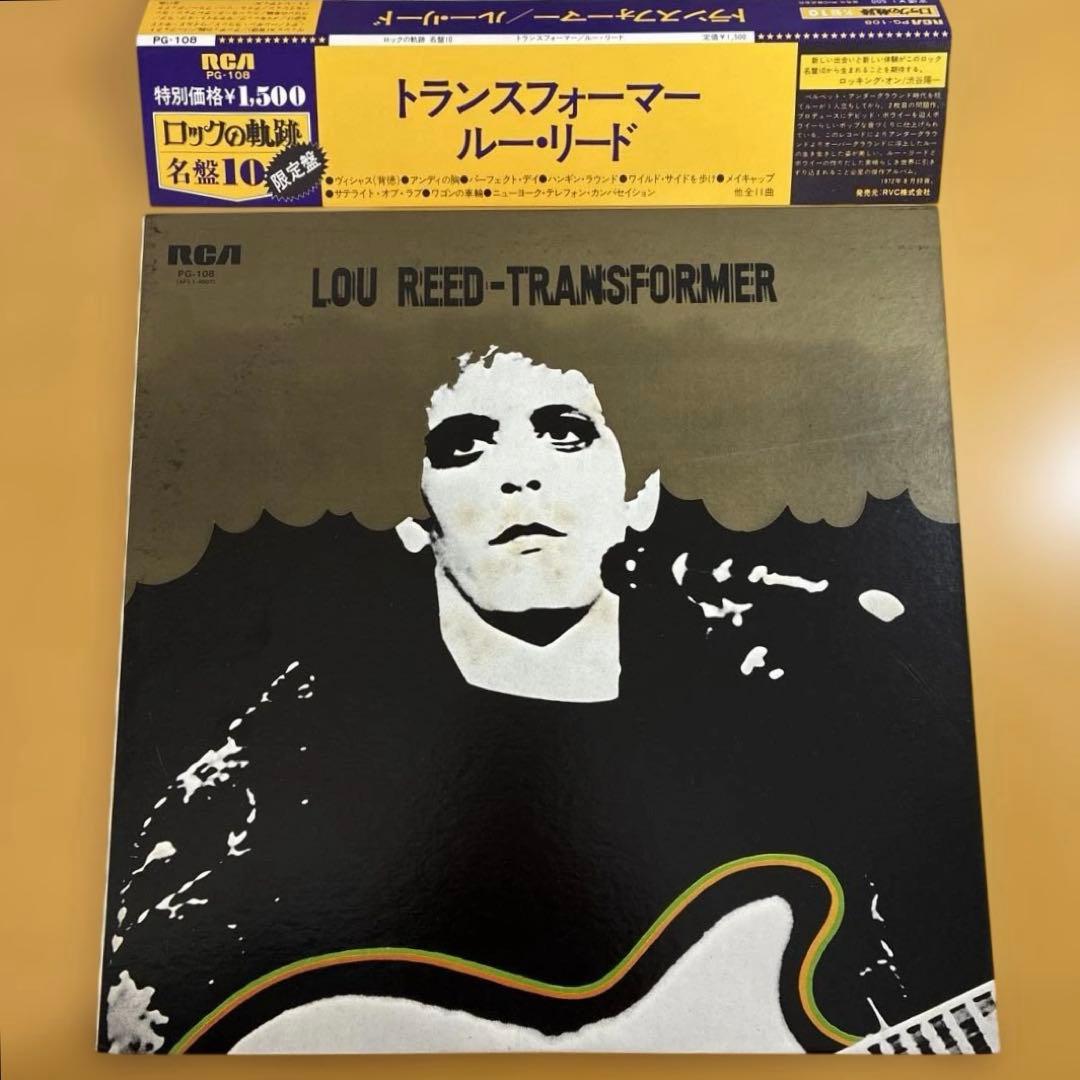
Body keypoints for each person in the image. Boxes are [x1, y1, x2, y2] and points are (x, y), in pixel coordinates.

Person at [99, 348, 993, 1054]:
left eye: (565, 434)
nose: (519, 475)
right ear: (412, 517)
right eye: (465, 446)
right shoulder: (278, 769)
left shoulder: (795, 705)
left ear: (638, 495)